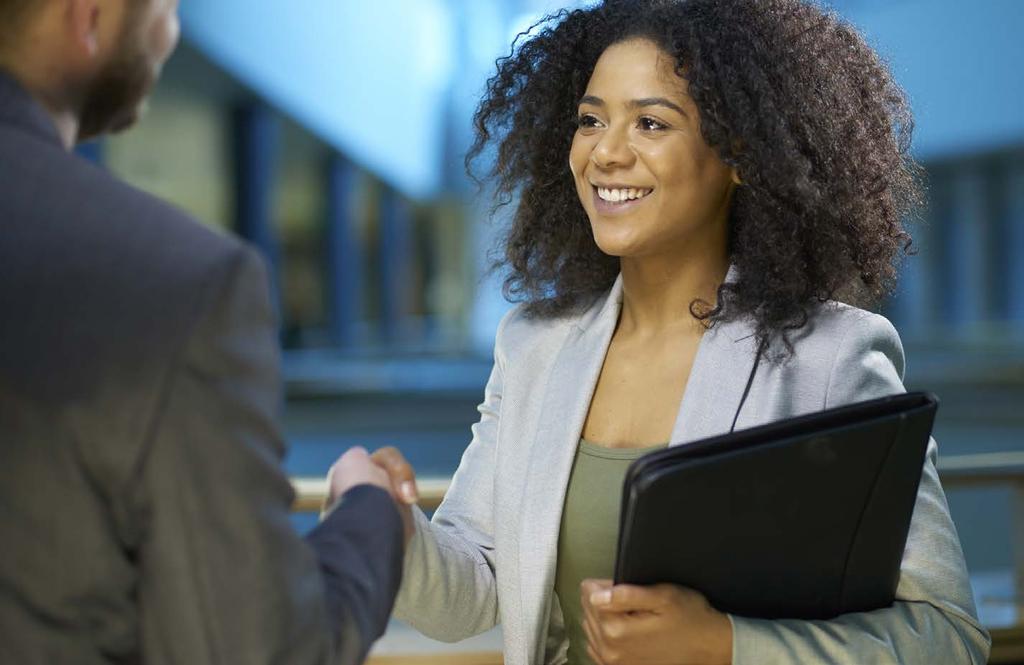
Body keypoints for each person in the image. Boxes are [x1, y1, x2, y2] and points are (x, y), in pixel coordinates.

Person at [367, 1, 992, 663]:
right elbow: (476, 585)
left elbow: (949, 638)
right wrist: (394, 528)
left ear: (739, 154)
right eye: (590, 119)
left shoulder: (831, 357)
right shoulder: (534, 346)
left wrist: (724, 644)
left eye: (649, 122)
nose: (606, 152)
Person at [0, 1, 409, 663]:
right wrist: (369, 511)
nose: (173, 31)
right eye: (164, 6)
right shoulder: (172, 283)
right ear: (88, 17)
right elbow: (259, 648)